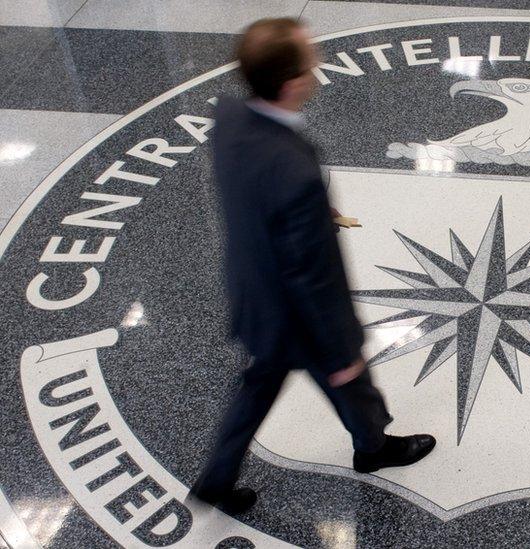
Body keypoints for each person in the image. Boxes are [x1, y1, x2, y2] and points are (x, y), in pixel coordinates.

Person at [190, 17, 435, 515]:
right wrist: (341, 346)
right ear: (291, 83)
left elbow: (255, 191)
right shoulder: (295, 173)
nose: (318, 67)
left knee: (257, 389)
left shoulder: (232, 116)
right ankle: (374, 449)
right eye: (310, 61)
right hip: (297, 314)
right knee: (350, 379)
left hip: (253, 292)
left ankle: (215, 479)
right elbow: (311, 276)